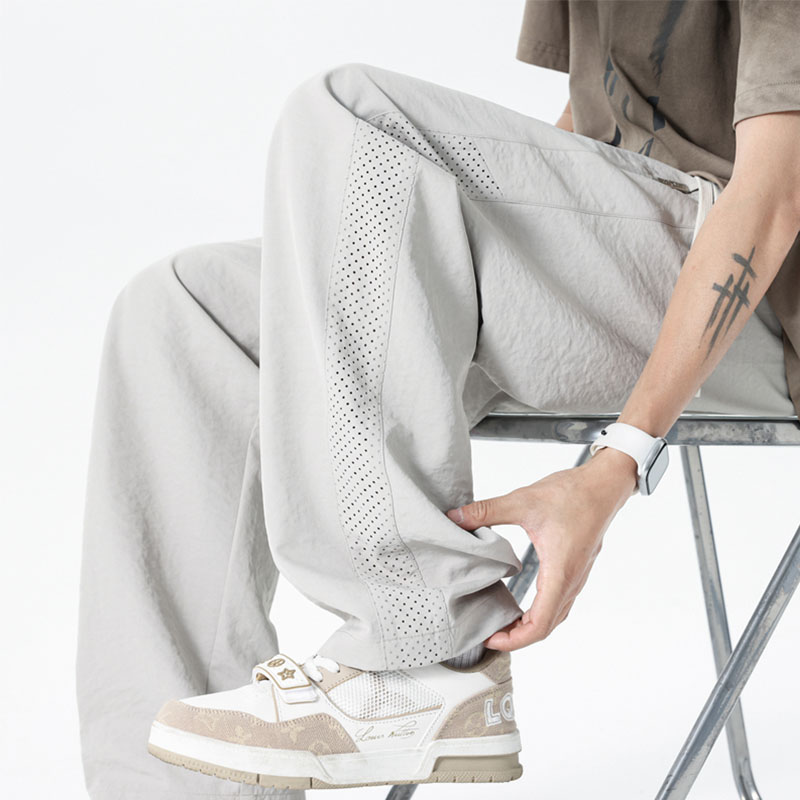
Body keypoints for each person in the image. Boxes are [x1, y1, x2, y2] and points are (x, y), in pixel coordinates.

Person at [76, 0, 800, 796]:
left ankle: (418, 658)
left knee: (353, 113)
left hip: (765, 299)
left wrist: (618, 460)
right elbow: (588, 136)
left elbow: (775, 198)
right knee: (182, 309)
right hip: (632, 256)